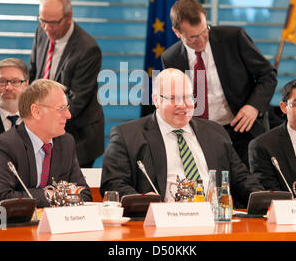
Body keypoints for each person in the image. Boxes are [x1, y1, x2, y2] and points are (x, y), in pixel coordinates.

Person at [100, 69, 263, 208]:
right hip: (160, 224)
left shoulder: (215, 132)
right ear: (156, 100)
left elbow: (241, 178)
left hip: (212, 220)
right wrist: (144, 202)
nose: (182, 105)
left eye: (187, 97)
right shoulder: (128, 135)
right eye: (173, 98)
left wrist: (266, 200)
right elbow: (113, 183)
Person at [161, 0, 277, 168]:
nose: (201, 40)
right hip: (201, 135)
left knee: (248, 188)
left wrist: (253, 106)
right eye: (193, 37)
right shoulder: (171, 58)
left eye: (204, 31)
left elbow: (268, 75)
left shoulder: (233, 38)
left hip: (242, 129)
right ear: (177, 32)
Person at [0, 79, 92, 208]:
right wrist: (49, 195)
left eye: (67, 108)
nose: (68, 115)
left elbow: (84, 195)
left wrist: (55, 195)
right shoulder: (6, 145)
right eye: (61, 108)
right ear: (36, 111)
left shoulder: (66, 142)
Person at [29, 0, 104, 168]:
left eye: (53, 23)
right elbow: (33, 72)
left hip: (78, 136)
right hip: (47, 128)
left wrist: (37, 117)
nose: (47, 28)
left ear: (69, 17)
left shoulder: (88, 49)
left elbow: (75, 102)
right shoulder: (41, 32)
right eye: (42, 21)